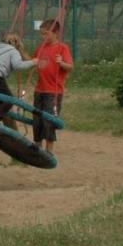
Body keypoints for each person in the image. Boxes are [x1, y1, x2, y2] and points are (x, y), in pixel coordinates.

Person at [32, 19, 74, 153]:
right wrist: (20, 52)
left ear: (56, 33)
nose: (43, 37)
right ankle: (37, 146)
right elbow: (33, 61)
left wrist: (61, 62)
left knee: (48, 120)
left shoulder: (62, 48)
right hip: (39, 90)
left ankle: (49, 150)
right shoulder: (41, 48)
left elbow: (70, 67)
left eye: (45, 34)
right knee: (37, 119)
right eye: (41, 34)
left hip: (53, 91)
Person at [0, 33, 37, 127]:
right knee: (9, 100)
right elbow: (18, 65)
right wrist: (32, 62)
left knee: (0, 100)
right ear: (16, 43)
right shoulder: (13, 51)